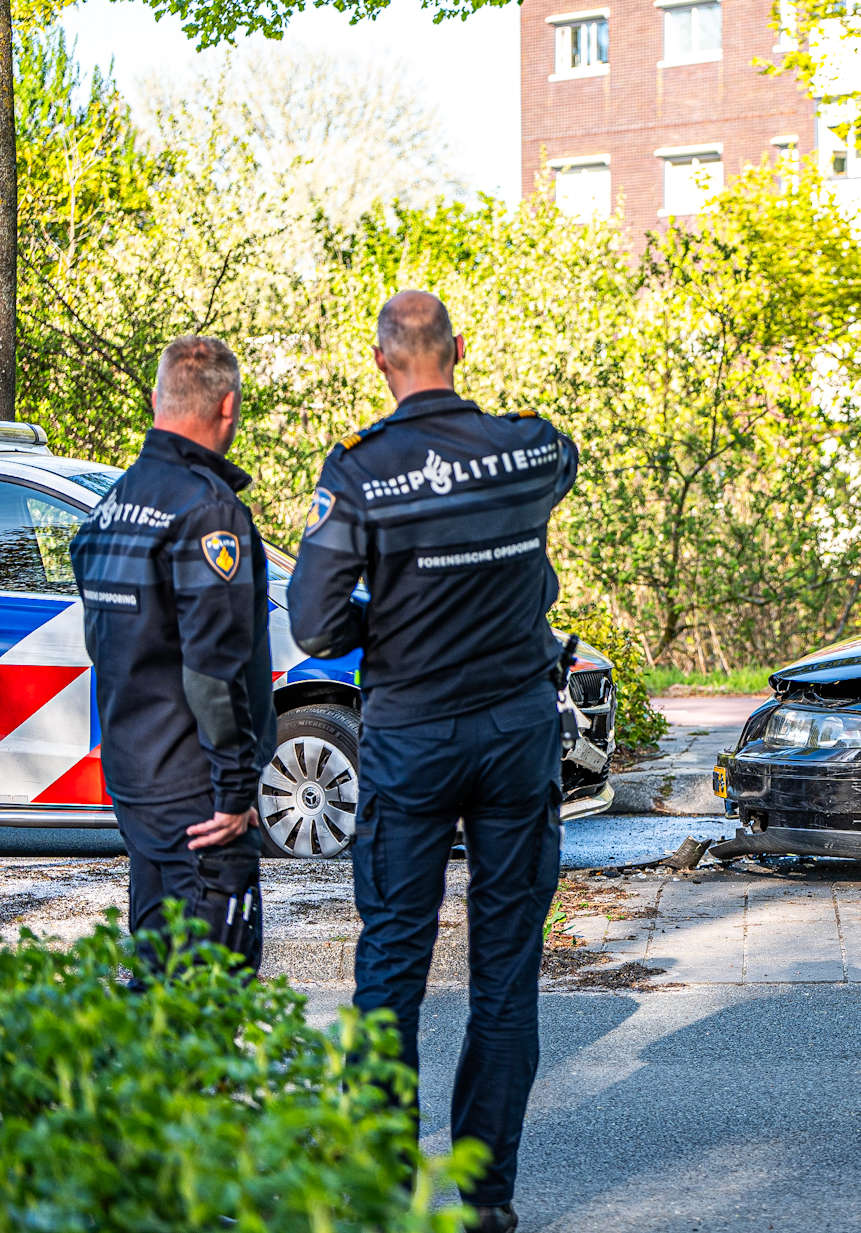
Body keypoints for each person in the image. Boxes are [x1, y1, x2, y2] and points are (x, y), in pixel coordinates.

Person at [288, 291, 578, 1233]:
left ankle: (378, 1194)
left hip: (412, 742)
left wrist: (399, 612)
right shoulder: (531, 449)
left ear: (383, 363)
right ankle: (486, 1203)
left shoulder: (363, 473)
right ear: (457, 349)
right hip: (514, 734)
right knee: (504, 971)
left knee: (392, 968)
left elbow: (317, 623)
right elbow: (557, 476)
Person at [70, 335, 275, 976]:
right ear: (228, 407)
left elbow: (105, 642)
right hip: (200, 801)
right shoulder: (206, 512)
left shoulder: (109, 509)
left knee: (158, 977)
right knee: (214, 988)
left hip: (136, 782)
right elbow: (212, 672)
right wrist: (237, 792)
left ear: (158, 399)